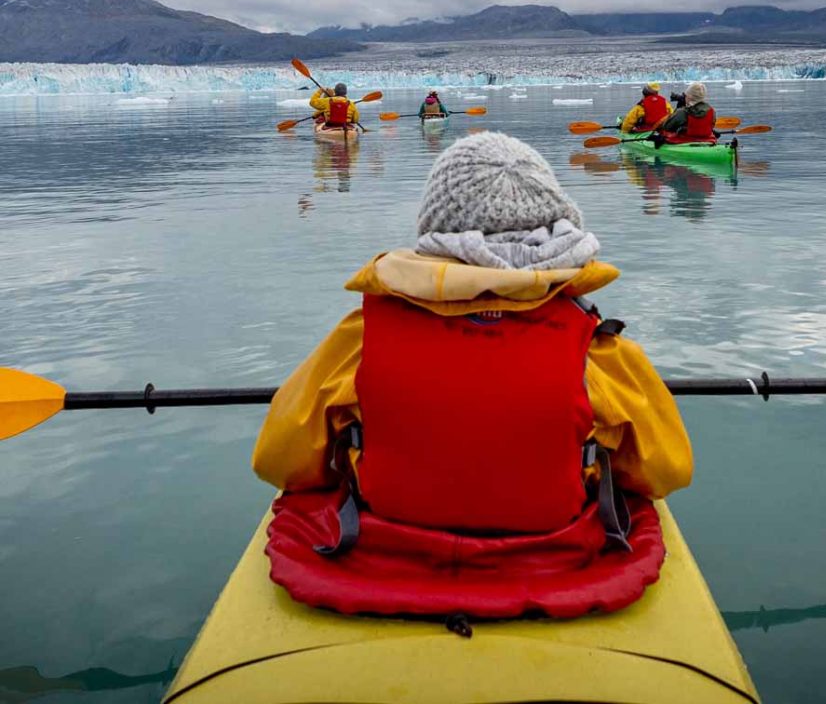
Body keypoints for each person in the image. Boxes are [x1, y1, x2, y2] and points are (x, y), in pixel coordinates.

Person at [252, 132, 693, 621]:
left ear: (435, 227)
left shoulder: (360, 337)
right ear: (555, 225)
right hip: (557, 557)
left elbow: (280, 462)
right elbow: (666, 472)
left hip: (384, 548)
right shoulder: (597, 347)